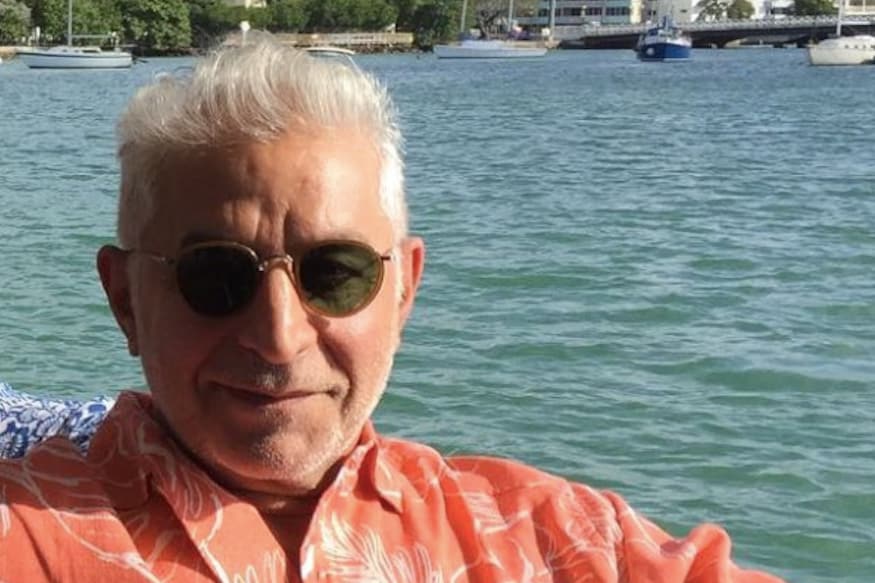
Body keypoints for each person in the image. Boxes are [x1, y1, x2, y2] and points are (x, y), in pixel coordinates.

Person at [0, 38, 784, 582]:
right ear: (124, 299)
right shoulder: (25, 531)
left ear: (403, 289)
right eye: (216, 276)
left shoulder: (562, 541)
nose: (278, 336)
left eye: (334, 273)